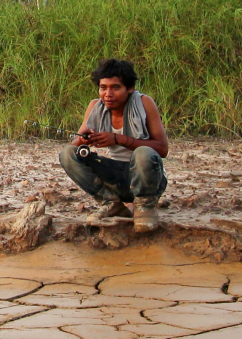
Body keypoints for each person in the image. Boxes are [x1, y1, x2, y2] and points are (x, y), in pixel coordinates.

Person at [59, 58, 169, 232]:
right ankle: (111, 203)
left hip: (147, 178)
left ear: (130, 88)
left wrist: (119, 139)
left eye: (115, 87)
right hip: (117, 178)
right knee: (68, 153)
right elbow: (75, 143)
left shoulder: (144, 103)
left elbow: (162, 149)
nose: (108, 94)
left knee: (143, 153)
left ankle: (145, 207)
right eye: (103, 87)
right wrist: (85, 140)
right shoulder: (96, 106)